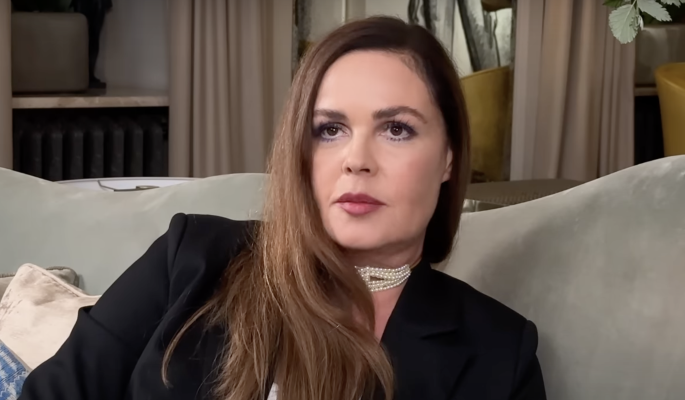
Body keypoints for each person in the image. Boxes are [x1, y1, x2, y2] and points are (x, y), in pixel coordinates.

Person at [18, 16, 546, 400]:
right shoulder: (190, 259)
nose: (356, 160)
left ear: (449, 157)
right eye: (330, 129)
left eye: (396, 129)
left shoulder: (500, 351)